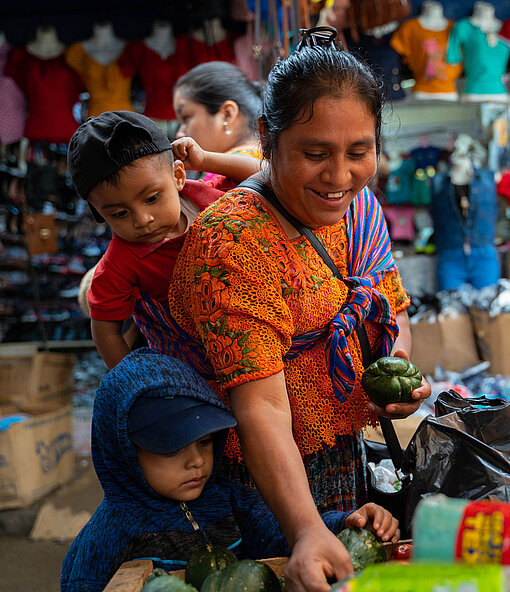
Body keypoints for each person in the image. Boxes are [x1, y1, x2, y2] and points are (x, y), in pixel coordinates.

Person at [168, 27, 431, 590]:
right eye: (315, 154)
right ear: (267, 138)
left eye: (359, 152)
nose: (339, 176)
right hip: (250, 477)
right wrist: (306, 528)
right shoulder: (234, 242)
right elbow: (259, 406)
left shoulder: (357, 206)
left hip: (341, 452)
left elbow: (385, 303)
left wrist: (393, 374)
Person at [60, 349, 400, 592]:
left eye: (205, 442)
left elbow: (282, 534)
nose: (196, 460)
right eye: (173, 448)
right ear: (123, 450)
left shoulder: (231, 499)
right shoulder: (106, 537)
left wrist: (345, 523)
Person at [67, 110, 261, 369]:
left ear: (178, 176)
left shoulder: (208, 198)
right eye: (120, 213)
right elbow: (105, 330)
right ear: (99, 213)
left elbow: (262, 176)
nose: (143, 219)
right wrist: (132, 380)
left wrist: (205, 159)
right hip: (196, 366)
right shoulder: (119, 263)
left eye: (152, 198)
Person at [173, 61, 262, 186]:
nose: (180, 133)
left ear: (227, 114)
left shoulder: (252, 163)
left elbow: (265, 173)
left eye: (186, 117)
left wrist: (205, 160)